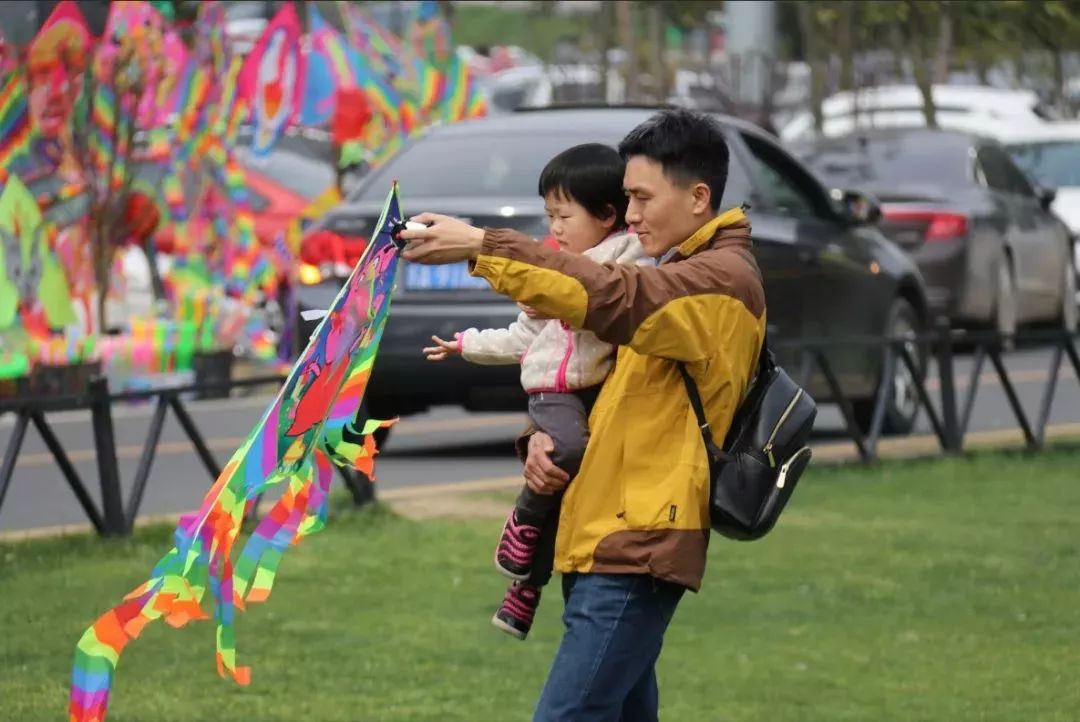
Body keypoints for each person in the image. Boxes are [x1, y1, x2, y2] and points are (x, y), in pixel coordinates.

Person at [399, 108, 766, 721]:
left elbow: (609, 298)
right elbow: (597, 380)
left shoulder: (717, 282)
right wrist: (540, 437)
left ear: (699, 197)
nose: (631, 215)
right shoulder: (674, 267)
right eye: (626, 198)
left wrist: (481, 246)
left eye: (642, 198)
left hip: (636, 544)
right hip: (601, 530)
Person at [422, 143, 645, 641]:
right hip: (554, 393)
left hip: (590, 392)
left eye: (563, 215)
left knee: (564, 492)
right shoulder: (557, 273)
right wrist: (466, 345)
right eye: (550, 216)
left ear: (609, 214)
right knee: (566, 453)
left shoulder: (623, 257)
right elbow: (524, 335)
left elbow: (611, 280)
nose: (556, 227)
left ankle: (525, 589)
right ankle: (522, 517)